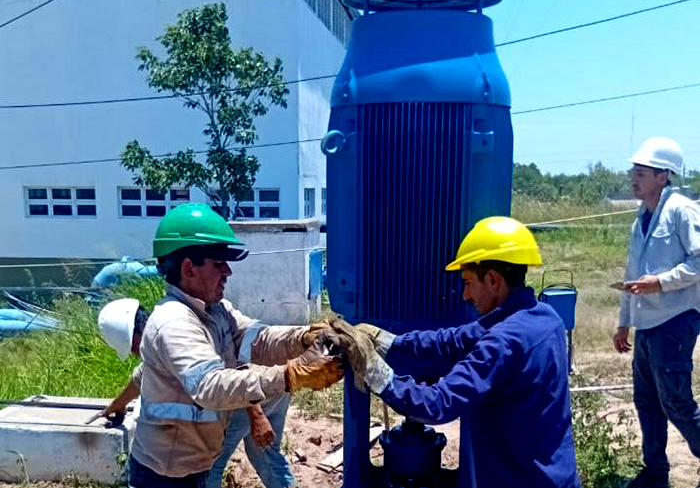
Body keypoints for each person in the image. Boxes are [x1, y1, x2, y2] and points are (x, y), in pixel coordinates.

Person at [338, 216, 580, 487]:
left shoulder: (504, 343)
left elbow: (437, 404)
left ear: (493, 280)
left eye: (467, 282)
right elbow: (453, 342)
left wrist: (376, 373)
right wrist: (388, 343)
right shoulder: (546, 318)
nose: (465, 295)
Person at [127, 203, 343, 488]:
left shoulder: (215, 311)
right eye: (218, 264)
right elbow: (210, 386)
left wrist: (303, 337)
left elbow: (258, 340)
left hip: (194, 467)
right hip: (163, 476)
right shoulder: (174, 323)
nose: (228, 271)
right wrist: (289, 376)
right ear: (189, 268)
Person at [95, 298, 302, 488]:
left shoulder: (174, 337)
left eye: (132, 348)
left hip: (248, 397)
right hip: (274, 389)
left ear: (133, 338)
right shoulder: (167, 328)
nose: (135, 354)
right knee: (265, 455)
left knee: (209, 467)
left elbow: (235, 368)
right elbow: (140, 376)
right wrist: (118, 404)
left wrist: (256, 416)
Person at [612, 137, 700, 488]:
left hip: (676, 319)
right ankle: (655, 472)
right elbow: (633, 273)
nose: (633, 179)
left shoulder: (681, 210)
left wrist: (660, 283)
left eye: (641, 173)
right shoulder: (641, 218)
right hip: (648, 323)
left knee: (676, 402)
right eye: (633, 172)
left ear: (663, 176)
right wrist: (624, 322)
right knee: (647, 401)